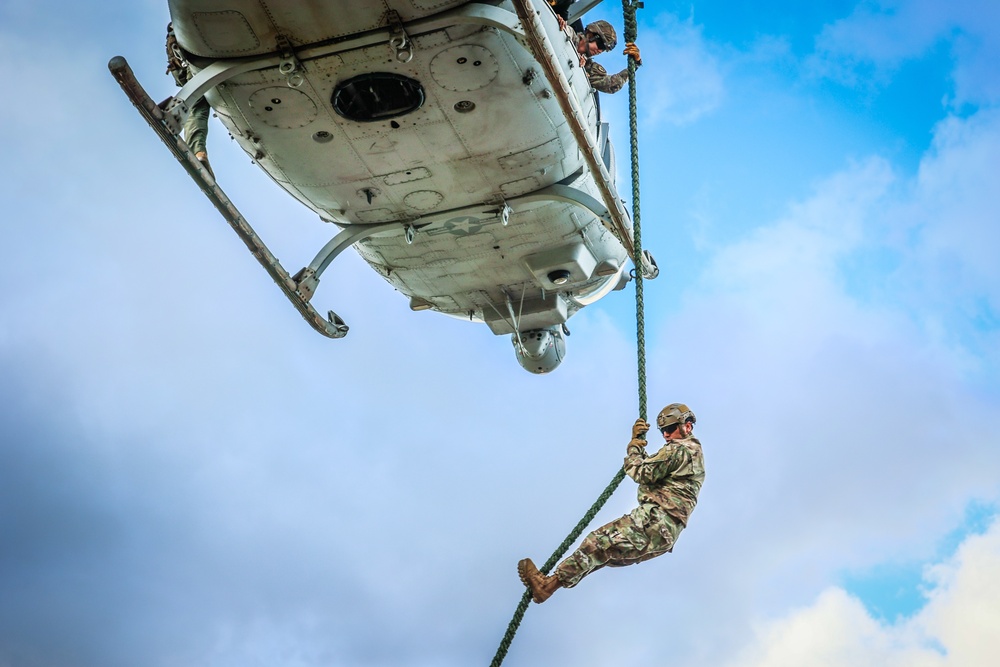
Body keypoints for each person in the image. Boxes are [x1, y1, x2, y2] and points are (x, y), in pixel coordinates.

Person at [518, 403, 705, 603]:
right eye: (663, 431)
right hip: (664, 532)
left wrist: (633, 446)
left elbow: (641, 472)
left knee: (597, 542)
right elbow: (651, 468)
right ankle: (550, 586)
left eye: (670, 429)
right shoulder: (688, 453)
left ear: (688, 426)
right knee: (599, 554)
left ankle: (546, 586)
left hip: (656, 521)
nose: (666, 435)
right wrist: (638, 448)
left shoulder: (681, 449)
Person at [165, 23, 213, 177]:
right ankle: (198, 153)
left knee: (196, 105)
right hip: (193, 54)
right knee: (198, 107)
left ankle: (199, 153)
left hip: (181, 57)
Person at [557, 17, 642, 95]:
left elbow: (611, 84)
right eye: (600, 45)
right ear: (590, 35)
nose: (600, 51)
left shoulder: (588, 68)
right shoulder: (566, 32)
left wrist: (635, 64)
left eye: (604, 49)